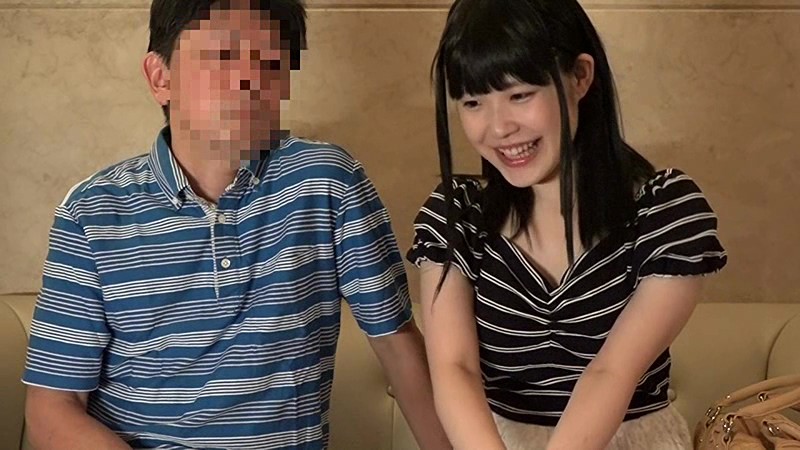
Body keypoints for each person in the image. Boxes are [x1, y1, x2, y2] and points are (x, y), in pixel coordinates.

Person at [22, 0, 450, 448]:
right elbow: (52, 405)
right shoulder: (93, 210)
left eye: (271, 63)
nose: (249, 80)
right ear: (161, 77)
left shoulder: (326, 183)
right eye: (223, 55)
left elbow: (398, 345)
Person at [406, 0, 727, 449]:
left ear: (580, 76)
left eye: (519, 95)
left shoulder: (664, 213)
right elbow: (454, 368)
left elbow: (611, 372)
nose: (498, 128)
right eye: (473, 102)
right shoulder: (456, 215)